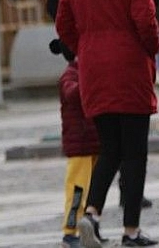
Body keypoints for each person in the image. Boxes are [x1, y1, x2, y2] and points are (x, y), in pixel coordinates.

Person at [56, 0, 159, 247]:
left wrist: (83, 47)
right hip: (130, 66)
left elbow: (63, 22)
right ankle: (131, 231)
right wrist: (151, 48)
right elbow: (144, 18)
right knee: (135, 153)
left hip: (94, 69)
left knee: (110, 148)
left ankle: (91, 214)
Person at [55, 49, 105, 248]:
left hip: (94, 143)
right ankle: (70, 232)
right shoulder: (70, 74)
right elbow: (72, 93)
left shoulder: (86, 71)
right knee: (77, 189)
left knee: (93, 191)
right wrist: (90, 79)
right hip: (80, 146)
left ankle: (91, 229)